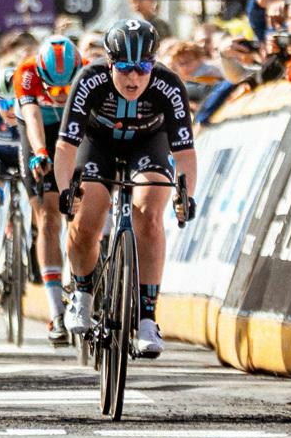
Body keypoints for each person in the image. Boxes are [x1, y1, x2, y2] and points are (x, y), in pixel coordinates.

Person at [53, 19, 199, 359]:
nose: (134, 78)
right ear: (109, 63)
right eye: (124, 68)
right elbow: (65, 146)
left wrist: (186, 196)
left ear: (153, 63)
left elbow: (186, 153)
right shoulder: (89, 80)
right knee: (88, 213)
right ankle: (84, 292)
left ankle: (147, 319)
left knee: (149, 214)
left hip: (148, 143)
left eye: (142, 68)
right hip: (98, 144)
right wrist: (65, 191)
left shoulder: (168, 85)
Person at [14, 33, 80, 344]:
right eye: (54, 89)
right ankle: (56, 313)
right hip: (39, 128)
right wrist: (40, 151)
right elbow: (32, 117)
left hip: (72, 127)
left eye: (67, 88)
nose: (60, 95)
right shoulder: (26, 73)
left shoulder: (88, 70)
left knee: (82, 205)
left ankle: (86, 282)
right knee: (49, 216)